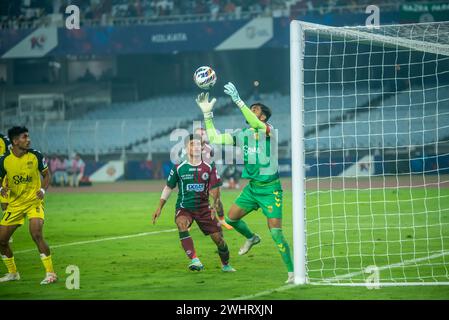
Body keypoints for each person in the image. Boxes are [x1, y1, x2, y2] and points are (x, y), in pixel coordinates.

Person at [195, 84, 294, 284]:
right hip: (252, 189)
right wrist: (207, 114)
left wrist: (238, 100)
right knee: (229, 220)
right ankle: (251, 237)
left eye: (255, 109)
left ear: (263, 117)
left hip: (270, 190)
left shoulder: (269, 132)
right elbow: (214, 137)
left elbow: (256, 125)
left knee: (276, 234)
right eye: (251, 108)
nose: (251, 110)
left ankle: (292, 273)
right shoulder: (241, 135)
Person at [152, 134, 236, 272]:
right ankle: (195, 260)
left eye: (198, 144)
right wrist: (159, 207)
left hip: (204, 208)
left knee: (219, 240)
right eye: (192, 144)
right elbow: (168, 187)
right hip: (185, 207)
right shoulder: (179, 167)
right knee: (181, 224)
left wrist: (215, 204)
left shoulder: (209, 167)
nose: (196, 147)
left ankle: (225, 264)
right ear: (186, 147)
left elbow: (215, 188)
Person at [0, 126, 57, 284]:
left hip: (34, 202)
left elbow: (46, 175)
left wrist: (42, 190)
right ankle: (13, 273)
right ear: (15, 141)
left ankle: (50, 273)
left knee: (36, 234)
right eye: (25, 137)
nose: (28, 139)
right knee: (1, 241)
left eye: (28, 136)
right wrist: (1, 188)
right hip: (15, 205)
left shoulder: (35, 155)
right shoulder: (4, 160)